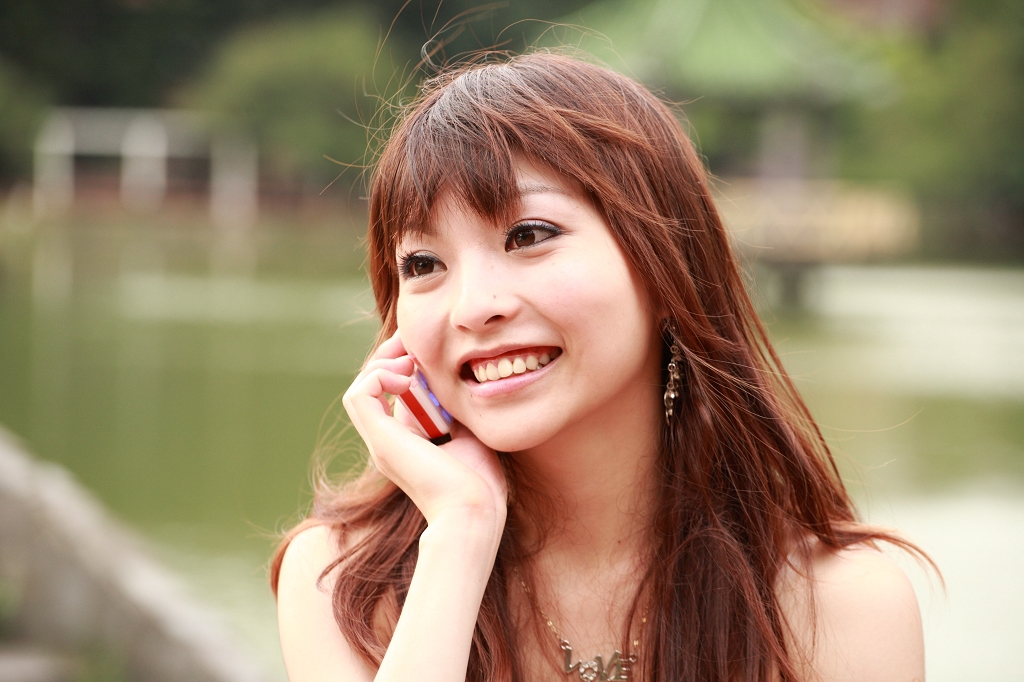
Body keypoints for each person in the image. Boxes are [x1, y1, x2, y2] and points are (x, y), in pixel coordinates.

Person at [272, 52, 927, 682]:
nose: (473, 308)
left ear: (665, 262)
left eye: (527, 235)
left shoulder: (840, 608)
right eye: (422, 264)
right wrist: (460, 537)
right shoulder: (343, 583)